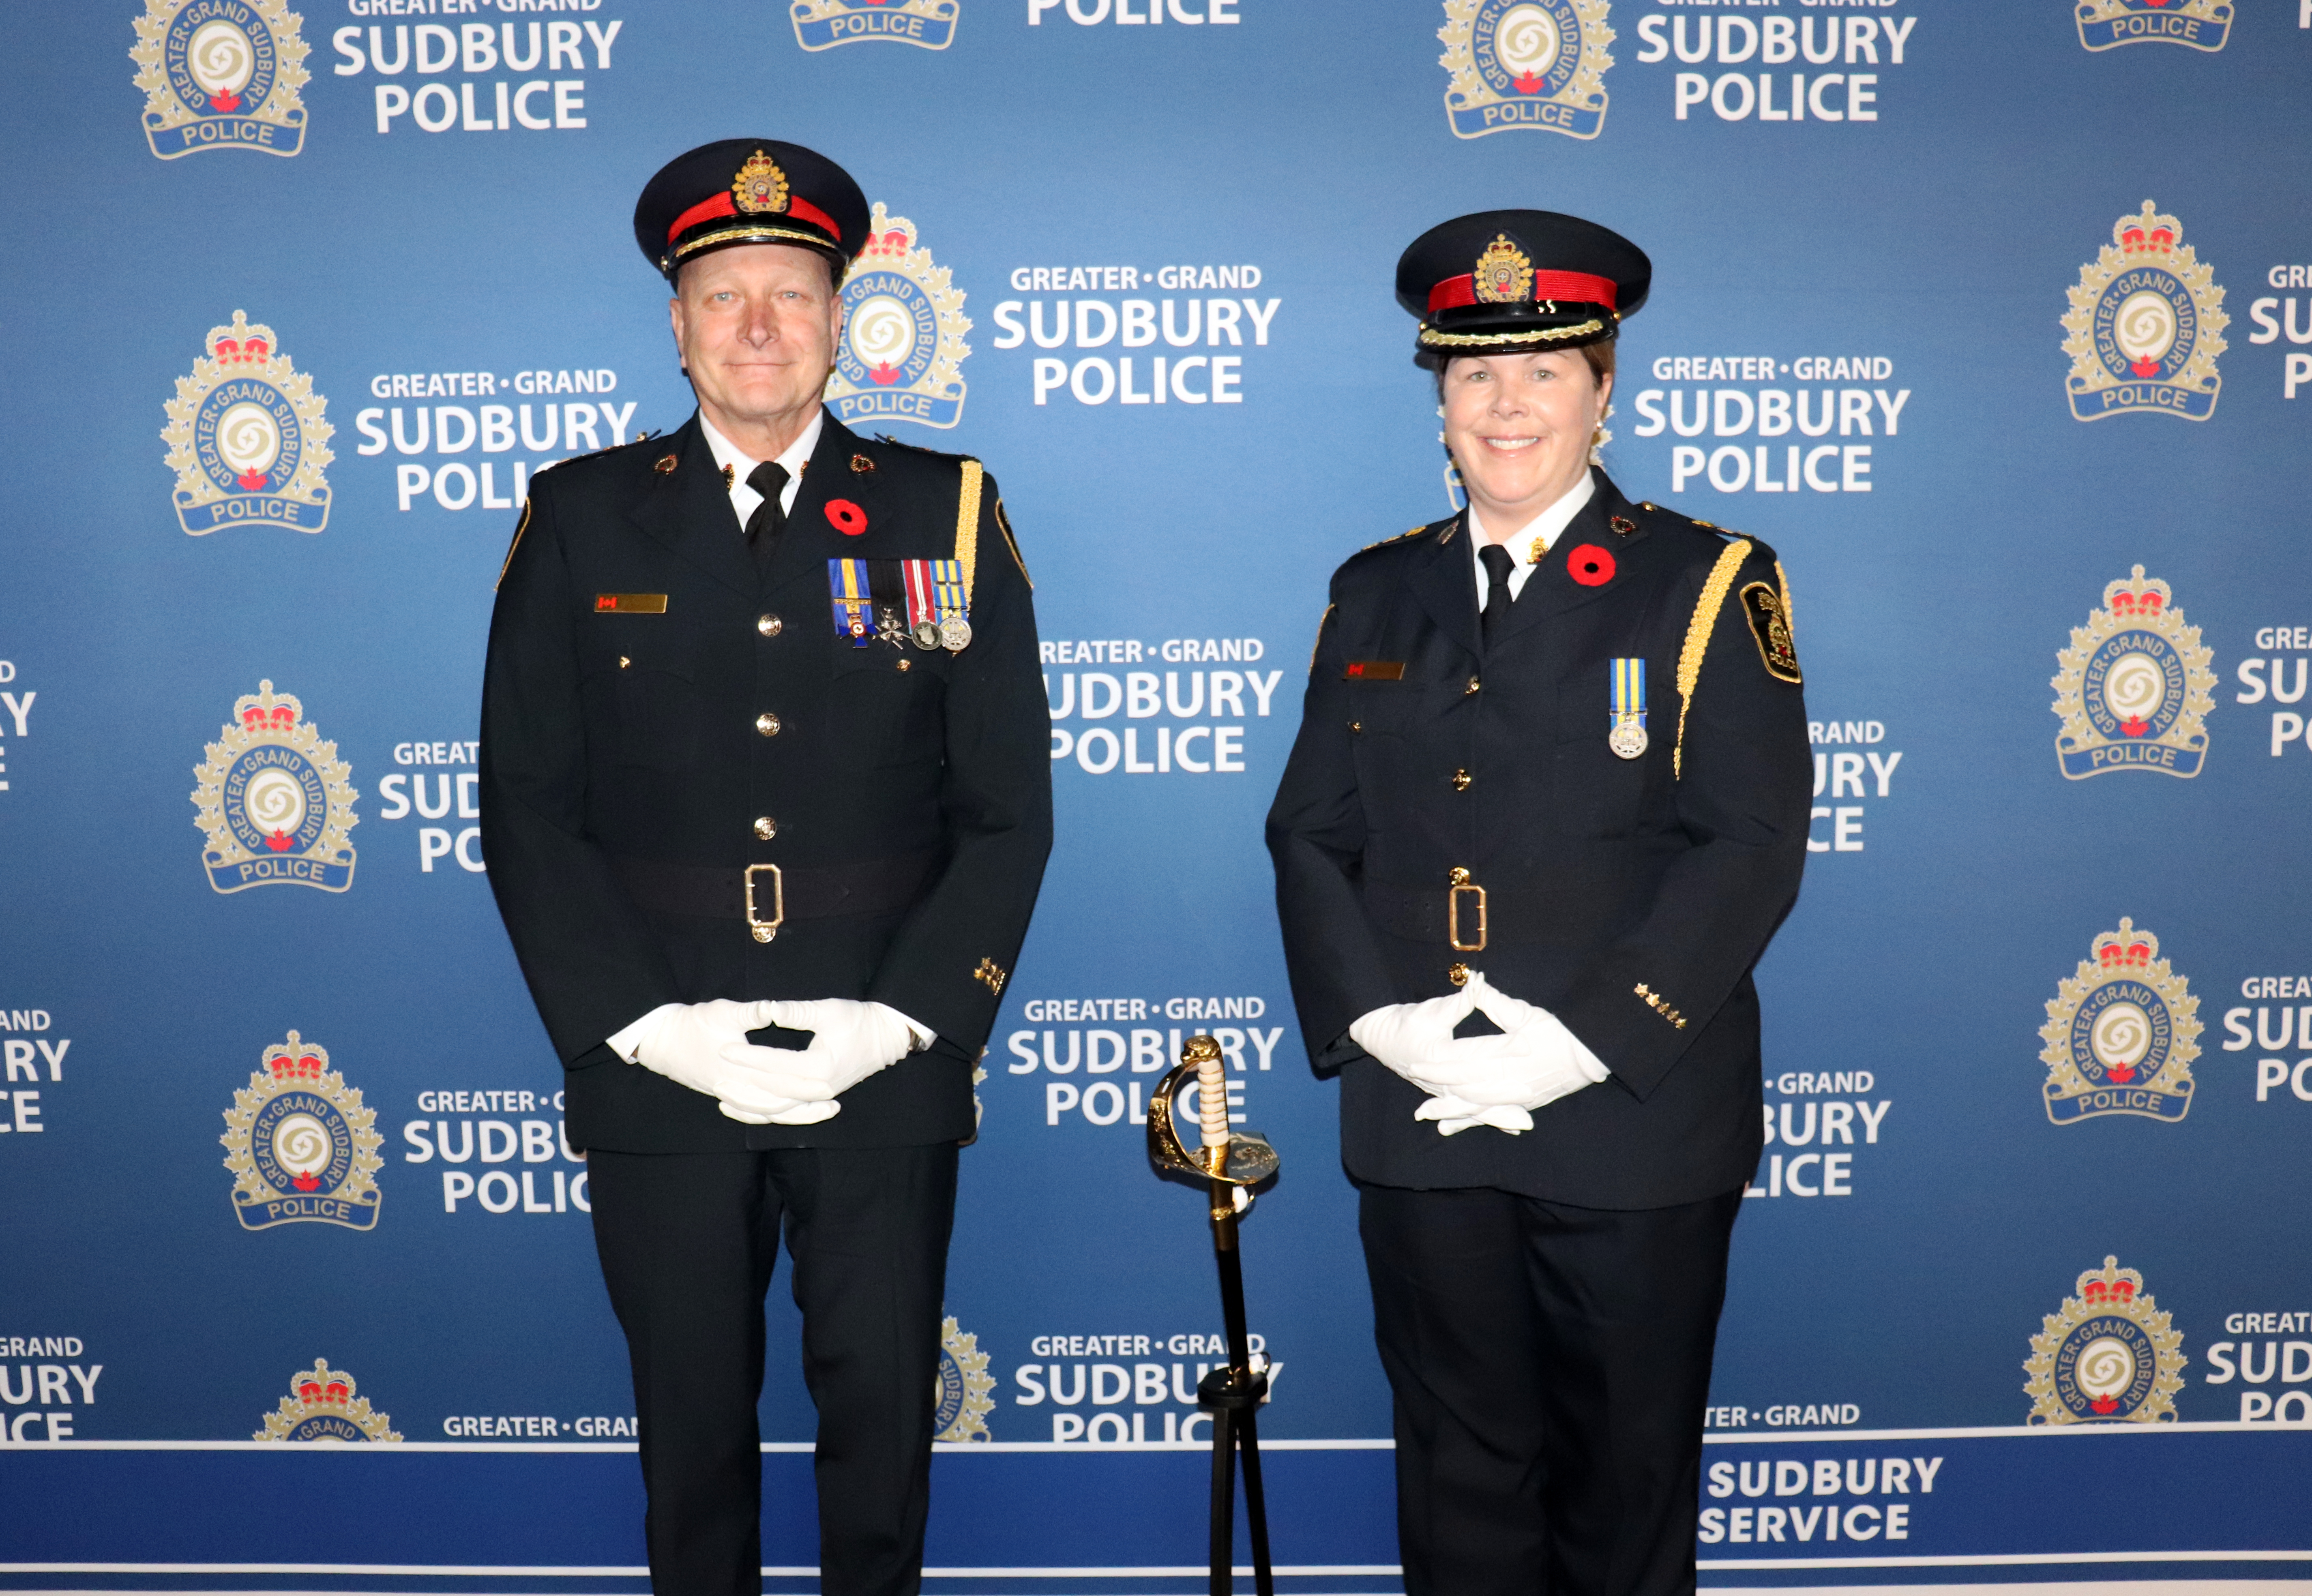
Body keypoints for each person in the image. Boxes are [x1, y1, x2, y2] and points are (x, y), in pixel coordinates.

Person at [480, 139, 1050, 1596]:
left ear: (840, 314)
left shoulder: (948, 511)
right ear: (675, 323)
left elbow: (1005, 810)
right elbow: (528, 806)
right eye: (722, 293)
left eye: (788, 293)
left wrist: (905, 1015)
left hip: (884, 1056)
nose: (754, 325)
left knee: (882, 1443)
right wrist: (642, 1024)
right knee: (691, 1448)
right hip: (660, 1061)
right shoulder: (581, 518)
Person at [1265, 210, 1810, 1596]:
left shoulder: (1705, 582)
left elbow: (1748, 845)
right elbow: (1308, 829)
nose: (1508, 405)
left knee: (1625, 1486)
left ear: (1605, 390)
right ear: (1440, 399)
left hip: (1631, 1115)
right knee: (1459, 1477)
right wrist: (1384, 1028)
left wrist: (1583, 1041)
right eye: (1474, 375)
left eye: (1547, 371)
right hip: (1424, 1111)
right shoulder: (1374, 592)